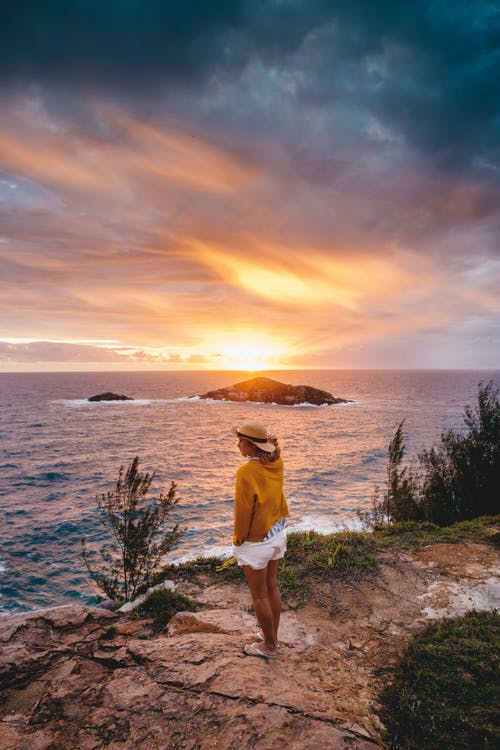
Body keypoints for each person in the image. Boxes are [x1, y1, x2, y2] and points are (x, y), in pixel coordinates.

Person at [231, 420, 289, 659]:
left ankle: (270, 647)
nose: (237, 445)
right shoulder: (277, 462)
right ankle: (271, 636)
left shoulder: (246, 472)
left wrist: (238, 540)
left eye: (241, 442)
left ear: (251, 445)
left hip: (257, 541)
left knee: (259, 596)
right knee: (272, 586)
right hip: (277, 532)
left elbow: (243, 511)